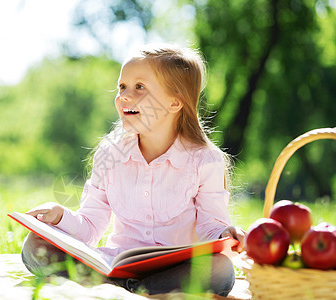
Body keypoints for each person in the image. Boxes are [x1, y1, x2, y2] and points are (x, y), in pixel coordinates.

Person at [21, 43, 246, 296]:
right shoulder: (110, 154)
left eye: (140, 87)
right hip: (116, 262)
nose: (124, 96)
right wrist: (59, 216)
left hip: (175, 269)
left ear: (174, 103)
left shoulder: (205, 161)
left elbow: (210, 228)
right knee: (34, 247)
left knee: (220, 271)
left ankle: (124, 289)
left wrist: (225, 234)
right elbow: (90, 226)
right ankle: (129, 286)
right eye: (122, 87)